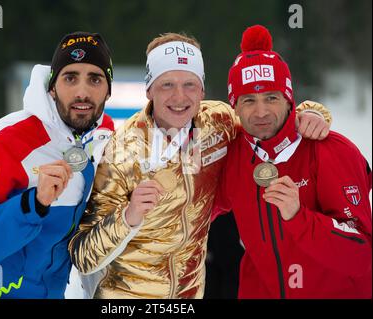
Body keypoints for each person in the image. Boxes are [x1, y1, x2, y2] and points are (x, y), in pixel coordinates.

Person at [69, 32, 332, 299]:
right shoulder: (121, 150)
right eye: (167, 84)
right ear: (149, 90)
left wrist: (311, 112)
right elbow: (83, 256)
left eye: (189, 84)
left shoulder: (219, 122)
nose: (180, 97)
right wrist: (129, 217)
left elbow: (265, 118)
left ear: (202, 89)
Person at [0, 31, 115, 298]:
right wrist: (33, 204)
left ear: (108, 90)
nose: (82, 92)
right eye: (70, 78)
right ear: (53, 86)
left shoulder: (105, 137)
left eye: (95, 79)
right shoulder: (5, 140)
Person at [212, 25, 372, 299]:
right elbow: (193, 213)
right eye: (248, 100)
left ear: (289, 101)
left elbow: (361, 255)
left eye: (271, 98)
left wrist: (299, 218)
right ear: (234, 107)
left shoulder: (331, 150)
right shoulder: (230, 155)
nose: (261, 112)